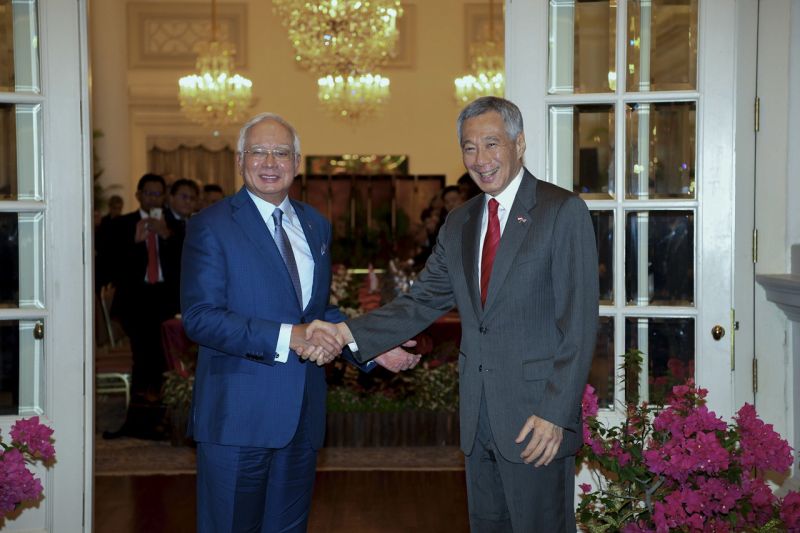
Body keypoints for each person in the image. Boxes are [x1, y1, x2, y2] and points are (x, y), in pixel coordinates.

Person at [305, 96, 599, 532]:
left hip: (536, 419)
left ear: (519, 144)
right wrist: (345, 332)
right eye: (469, 147)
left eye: (492, 144)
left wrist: (555, 412)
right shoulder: (460, 221)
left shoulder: (561, 211)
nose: (480, 159)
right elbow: (421, 300)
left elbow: (578, 325)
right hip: (478, 418)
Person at [180, 112, 419, 532]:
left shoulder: (315, 224)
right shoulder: (211, 225)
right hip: (237, 418)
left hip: (302, 417)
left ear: (297, 162)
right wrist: (290, 336)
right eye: (258, 151)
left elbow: (316, 315)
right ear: (239, 159)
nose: (270, 162)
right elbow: (201, 319)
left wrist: (372, 346)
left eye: (281, 153)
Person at [104, 173, 181, 439]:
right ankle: (138, 420)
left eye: (158, 194)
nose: (153, 199)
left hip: (166, 301)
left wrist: (166, 235)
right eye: (148, 193)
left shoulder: (174, 225)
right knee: (144, 357)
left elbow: (185, 264)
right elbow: (111, 268)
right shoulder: (122, 224)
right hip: (136, 302)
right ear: (138, 195)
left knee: (162, 360)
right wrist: (135, 243)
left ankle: (162, 419)